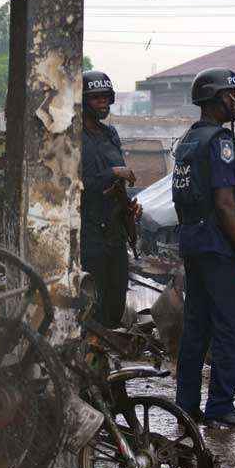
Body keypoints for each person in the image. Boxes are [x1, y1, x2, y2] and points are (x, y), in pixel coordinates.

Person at [172, 67, 235, 429]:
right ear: (214, 99)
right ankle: (221, 406)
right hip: (219, 247)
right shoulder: (220, 142)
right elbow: (225, 203)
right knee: (232, 328)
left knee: (197, 327)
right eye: (231, 95)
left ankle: (186, 405)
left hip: (194, 244)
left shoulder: (189, 140)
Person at [81, 70, 141, 329]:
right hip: (90, 232)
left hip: (115, 231)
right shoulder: (72, 138)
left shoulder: (110, 135)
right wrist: (112, 173)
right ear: (83, 100)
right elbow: (77, 182)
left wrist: (129, 208)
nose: (103, 102)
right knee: (94, 304)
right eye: (96, 98)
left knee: (116, 303)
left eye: (106, 97)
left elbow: (119, 183)